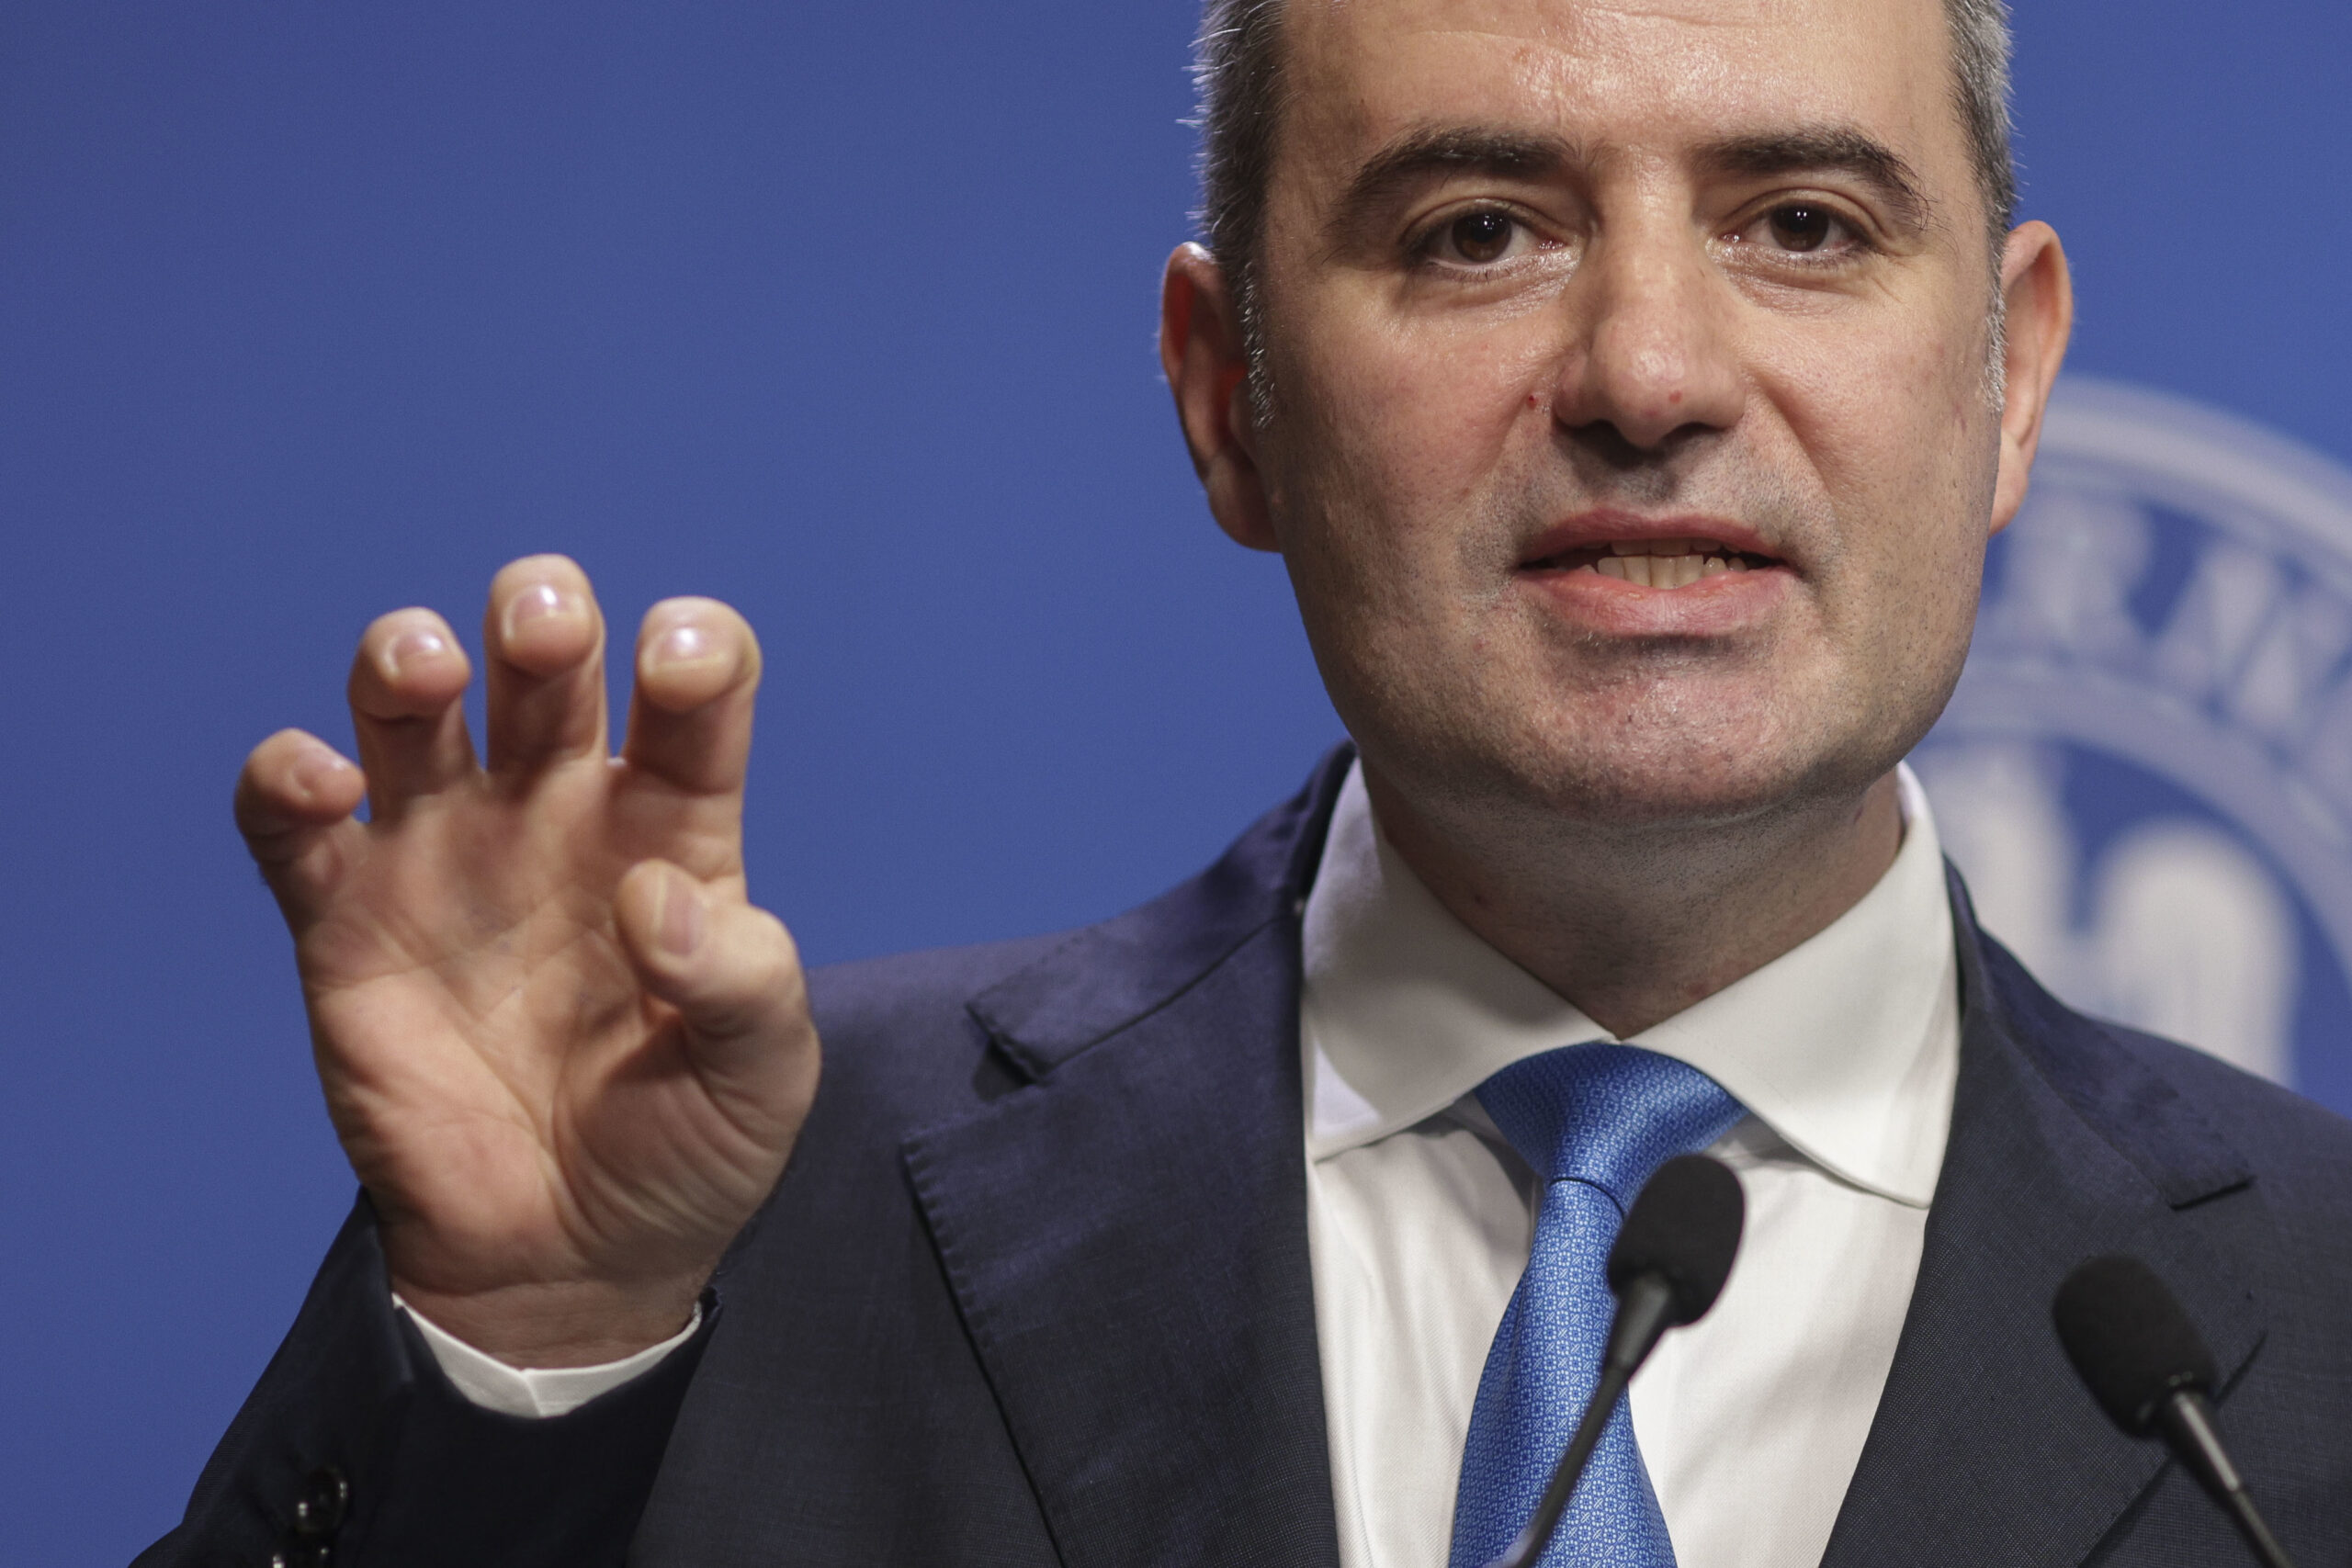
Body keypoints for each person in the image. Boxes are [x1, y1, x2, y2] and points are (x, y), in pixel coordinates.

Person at [141, 0, 2352, 1563]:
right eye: (1476, 228)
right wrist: (524, 1361)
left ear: (2007, 377)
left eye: (1798, 222)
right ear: (1227, 400)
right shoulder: (738, 1221)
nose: (1649, 373)